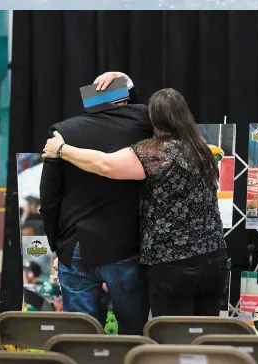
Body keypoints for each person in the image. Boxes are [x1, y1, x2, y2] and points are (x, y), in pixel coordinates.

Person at [42, 80, 229, 317]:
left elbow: (104, 164)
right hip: (214, 259)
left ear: (153, 118)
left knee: (172, 339)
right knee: (204, 335)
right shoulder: (202, 149)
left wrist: (61, 150)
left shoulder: (154, 152)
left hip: (172, 263)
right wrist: (127, 84)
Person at [39, 72, 153, 334]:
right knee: (134, 330)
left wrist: (57, 244)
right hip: (126, 245)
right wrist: (126, 80)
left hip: (76, 244)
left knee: (80, 335)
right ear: (124, 102)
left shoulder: (63, 132)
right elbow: (139, 108)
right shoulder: (141, 124)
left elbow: (49, 197)